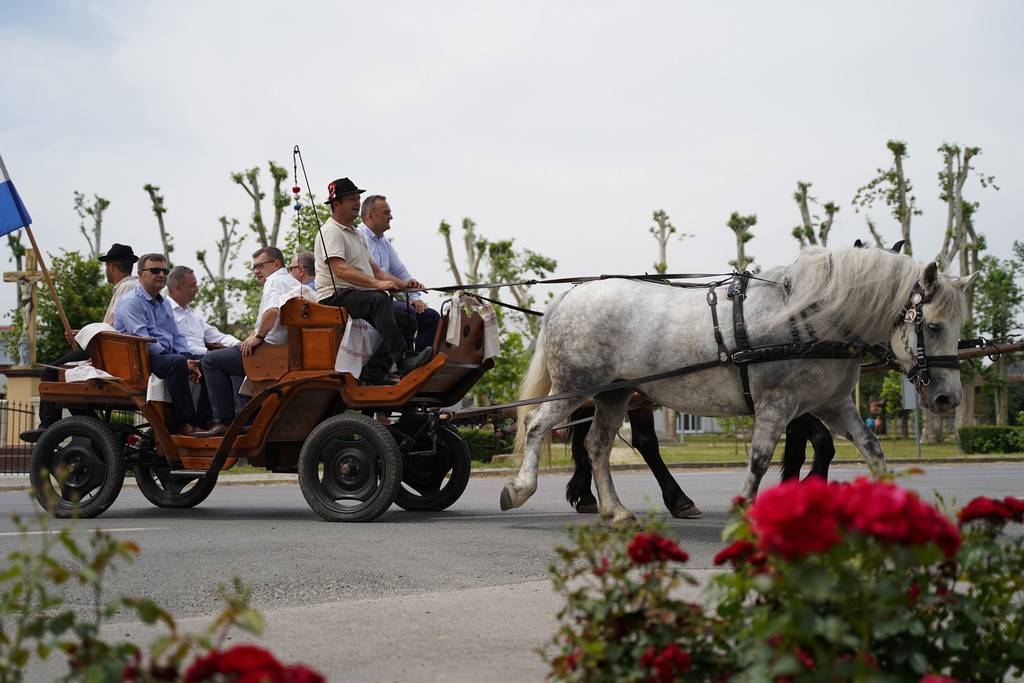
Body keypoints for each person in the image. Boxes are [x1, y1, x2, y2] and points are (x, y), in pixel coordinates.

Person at [313, 177, 431, 384]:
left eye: (358, 197)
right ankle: (404, 361)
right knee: (379, 299)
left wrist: (406, 285)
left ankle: (375, 370)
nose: (357, 202)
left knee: (408, 320)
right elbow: (340, 269)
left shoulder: (356, 235)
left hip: (355, 295)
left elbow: (376, 271)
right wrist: (377, 285)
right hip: (334, 296)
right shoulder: (331, 231)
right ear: (336, 203)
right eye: (351, 198)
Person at [20, 243, 139, 443]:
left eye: (106, 267)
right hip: (109, 347)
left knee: (51, 372)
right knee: (71, 386)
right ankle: (97, 428)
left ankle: (48, 424)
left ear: (110, 266)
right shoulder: (130, 287)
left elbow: (112, 327)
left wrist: (84, 336)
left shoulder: (127, 287)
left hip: (107, 350)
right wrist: (81, 334)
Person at [197, 247, 303, 437]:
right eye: (253, 268)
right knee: (235, 357)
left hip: (269, 353)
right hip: (286, 351)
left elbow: (272, 311)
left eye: (260, 266)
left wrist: (258, 336)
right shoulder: (293, 282)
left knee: (211, 361)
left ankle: (223, 422)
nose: (256, 271)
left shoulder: (275, 280)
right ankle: (247, 420)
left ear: (277, 264)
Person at [114, 253, 204, 436]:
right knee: (177, 362)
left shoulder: (163, 303)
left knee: (207, 362)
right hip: (140, 359)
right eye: (155, 270)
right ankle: (184, 423)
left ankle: (205, 420)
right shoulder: (131, 302)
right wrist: (181, 360)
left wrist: (189, 358)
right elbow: (143, 341)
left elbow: (176, 336)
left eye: (165, 270)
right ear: (140, 274)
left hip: (163, 355)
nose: (162, 274)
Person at [357, 195, 441, 352]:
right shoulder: (358, 237)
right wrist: (408, 288)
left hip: (385, 300)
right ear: (370, 215)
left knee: (430, 316)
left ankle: (422, 364)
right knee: (408, 316)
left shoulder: (383, 241)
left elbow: (400, 271)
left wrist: (415, 297)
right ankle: (407, 365)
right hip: (369, 302)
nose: (391, 217)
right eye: (386, 212)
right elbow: (376, 275)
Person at [167, 265, 241, 355]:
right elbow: (176, 346)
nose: (197, 289)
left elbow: (217, 336)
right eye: (192, 286)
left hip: (206, 359)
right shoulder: (164, 312)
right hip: (185, 362)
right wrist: (209, 352)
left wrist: (239, 344)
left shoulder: (192, 315)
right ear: (178, 288)